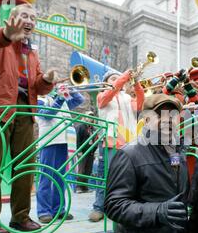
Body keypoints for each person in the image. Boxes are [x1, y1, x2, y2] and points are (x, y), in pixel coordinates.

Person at [0, 4, 57, 233]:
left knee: (25, 166)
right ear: (13, 19)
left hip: (25, 112)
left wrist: (46, 80)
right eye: (25, 16)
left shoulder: (31, 52)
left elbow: (36, 85)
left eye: (33, 18)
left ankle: (21, 217)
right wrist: (4, 36)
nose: (30, 21)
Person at [104, 94, 189, 233]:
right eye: (160, 114)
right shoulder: (129, 154)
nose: (168, 119)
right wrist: (158, 212)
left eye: (173, 114)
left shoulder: (177, 151)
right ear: (146, 119)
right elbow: (113, 205)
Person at [89, 69, 144, 222]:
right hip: (110, 142)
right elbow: (106, 98)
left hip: (128, 142)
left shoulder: (127, 97)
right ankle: (99, 207)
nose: (117, 80)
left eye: (118, 78)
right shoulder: (102, 94)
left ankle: (119, 206)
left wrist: (137, 84)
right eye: (113, 78)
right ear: (106, 82)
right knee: (105, 175)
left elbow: (140, 104)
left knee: (125, 177)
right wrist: (123, 78)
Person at [35, 85, 85, 223]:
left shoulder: (61, 100)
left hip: (64, 141)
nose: (53, 86)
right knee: (46, 176)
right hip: (49, 141)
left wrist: (70, 89)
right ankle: (43, 211)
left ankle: (59, 209)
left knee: (60, 177)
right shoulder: (39, 99)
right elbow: (46, 114)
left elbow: (80, 100)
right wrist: (60, 97)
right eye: (50, 84)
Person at [75, 109, 98, 193]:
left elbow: (95, 140)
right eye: (89, 116)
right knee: (81, 169)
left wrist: (94, 151)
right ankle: (78, 187)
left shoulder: (93, 128)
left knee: (88, 169)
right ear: (85, 117)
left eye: (92, 117)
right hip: (83, 151)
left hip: (91, 151)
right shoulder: (81, 126)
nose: (90, 118)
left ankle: (85, 187)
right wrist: (79, 150)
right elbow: (77, 139)